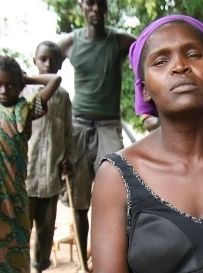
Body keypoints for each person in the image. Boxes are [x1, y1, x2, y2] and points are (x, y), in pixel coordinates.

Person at [90, 14, 203, 273]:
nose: (180, 66)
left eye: (194, 55)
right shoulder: (116, 178)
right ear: (145, 90)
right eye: (161, 61)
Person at [57, 0, 136, 270]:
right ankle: (82, 262)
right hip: (78, 126)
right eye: (90, 3)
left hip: (108, 126)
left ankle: (111, 262)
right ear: (81, 5)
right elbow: (45, 62)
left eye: (101, 4)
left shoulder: (120, 41)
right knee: (79, 202)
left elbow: (148, 50)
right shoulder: (69, 43)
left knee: (116, 194)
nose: (96, 9)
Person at [0, 55, 61, 273]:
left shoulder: (24, 110)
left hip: (14, 196)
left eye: (11, 85)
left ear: (20, 87)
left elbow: (54, 80)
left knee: (16, 247)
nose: (4, 90)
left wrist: (28, 78)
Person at [21, 40, 73, 273]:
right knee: (22, 229)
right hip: (25, 177)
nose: (48, 63)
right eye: (43, 59)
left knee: (46, 230)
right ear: (34, 62)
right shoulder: (22, 92)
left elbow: (67, 133)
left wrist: (67, 158)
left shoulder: (62, 96)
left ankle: (39, 268)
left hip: (51, 176)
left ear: (61, 64)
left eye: (53, 60)